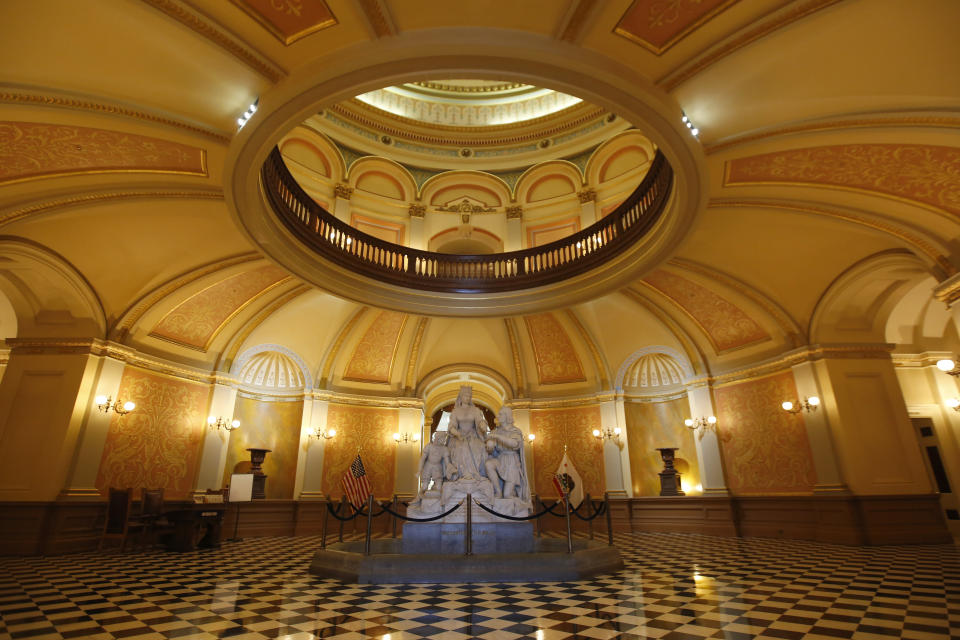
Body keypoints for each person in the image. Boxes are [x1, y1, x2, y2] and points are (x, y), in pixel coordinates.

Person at [484, 406, 529, 500]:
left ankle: (513, 503)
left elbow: (514, 443)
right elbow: (490, 451)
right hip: (500, 459)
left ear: (507, 416)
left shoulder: (515, 431)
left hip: (511, 462)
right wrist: (490, 445)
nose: (498, 416)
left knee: (507, 495)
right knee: (489, 464)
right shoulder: (496, 431)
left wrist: (497, 437)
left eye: (500, 414)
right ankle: (498, 491)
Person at [446, 385, 489, 481]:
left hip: (472, 435)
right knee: (461, 446)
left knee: (479, 446)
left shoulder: (475, 410)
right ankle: (464, 474)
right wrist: (457, 434)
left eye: (470, 396)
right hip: (458, 436)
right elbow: (452, 426)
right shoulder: (456, 411)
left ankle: (476, 474)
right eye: (466, 395)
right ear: (461, 396)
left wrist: (482, 424)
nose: (468, 397)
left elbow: (479, 420)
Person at [413, 430, 450, 502]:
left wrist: (450, 469)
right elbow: (422, 459)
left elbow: (447, 462)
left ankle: (438, 502)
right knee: (425, 486)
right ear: (438, 438)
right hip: (428, 466)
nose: (444, 440)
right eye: (443, 439)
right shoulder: (429, 446)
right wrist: (419, 470)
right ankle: (418, 499)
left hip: (437, 467)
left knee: (439, 486)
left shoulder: (444, 449)